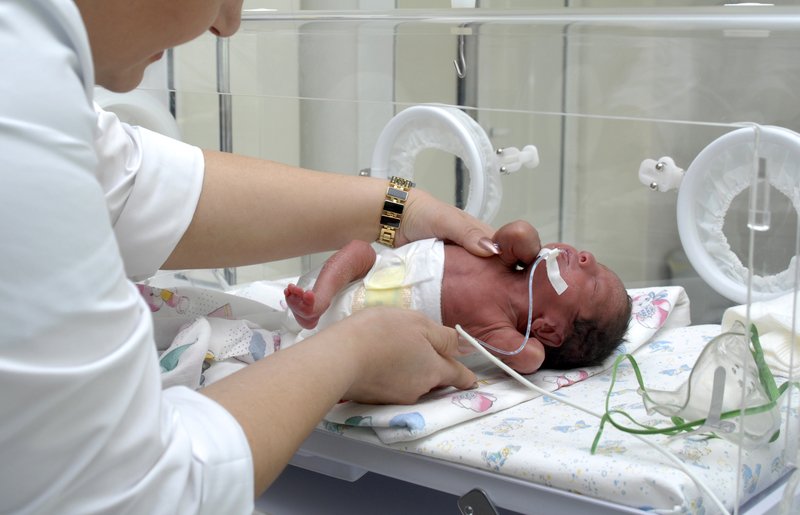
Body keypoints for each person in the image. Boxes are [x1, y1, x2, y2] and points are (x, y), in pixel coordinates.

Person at [0, 1, 542, 513]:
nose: (228, 24)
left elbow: (137, 188)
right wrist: (349, 353)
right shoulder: (19, 115)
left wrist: (402, 208)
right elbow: (130, 492)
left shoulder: (29, 79)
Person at [284, 224, 632, 375]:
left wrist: (537, 349)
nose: (586, 259)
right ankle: (316, 302)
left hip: (365, 332)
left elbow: (526, 359)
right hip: (369, 272)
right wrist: (529, 243)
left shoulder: (500, 331)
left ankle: (314, 322)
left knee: (360, 343)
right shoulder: (509, 258)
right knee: (359, 249)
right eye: (595, 263)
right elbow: (518, 232)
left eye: (594, 284)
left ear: (551, 329)